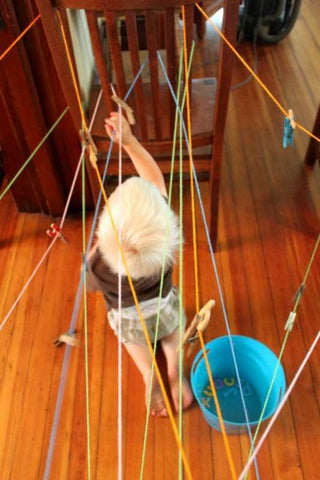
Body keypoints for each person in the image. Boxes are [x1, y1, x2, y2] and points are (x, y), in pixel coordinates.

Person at [86, 112, 193, 417]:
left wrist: (92, 255)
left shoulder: (97, 264)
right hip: (164, 309)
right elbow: (153, 178)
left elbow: (88, 284)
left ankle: (149, 374)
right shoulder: (165, 249)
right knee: (173, 330)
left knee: (134, 342)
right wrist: (129, 141)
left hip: (129, 321)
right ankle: (174, 367)